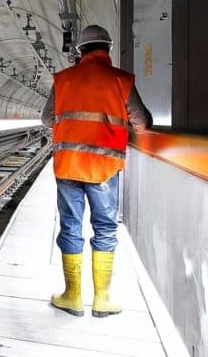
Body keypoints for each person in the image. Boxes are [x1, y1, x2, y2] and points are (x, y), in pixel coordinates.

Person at [40, 24, 152, 318]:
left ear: (80, 51)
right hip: (104, 168)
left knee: (71, 225)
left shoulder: (63, 80)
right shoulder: (121, 80)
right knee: (104, 227)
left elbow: (46, 119)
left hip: (68, 166)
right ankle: (102, 299)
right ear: (108, 48)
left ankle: (72, 296)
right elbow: (141, 121)